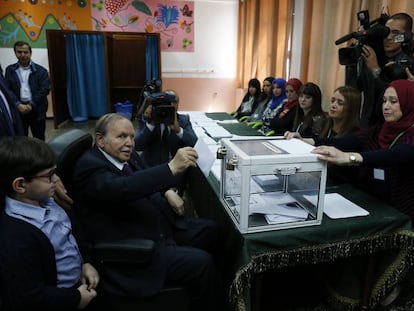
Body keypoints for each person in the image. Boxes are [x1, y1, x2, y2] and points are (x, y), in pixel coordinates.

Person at [73, 113, 225, 311]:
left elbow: (144, 174)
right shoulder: (90, 167)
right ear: (101, 140)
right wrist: (171, 168)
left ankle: (222, 288)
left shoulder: (123, 153)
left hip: (157, 223)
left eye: (131, 137)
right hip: (136, 243)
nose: (129, 143)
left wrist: (168, 190)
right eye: (121, 137)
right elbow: (124, 187)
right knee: (202, 263)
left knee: (214, 230)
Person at [288, 80, 414, 221]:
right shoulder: (379, 129)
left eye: (393, 101)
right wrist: (306, 140)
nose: (386, 106)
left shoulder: (411, 134)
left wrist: (349, 158)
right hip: (372, 203)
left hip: (401, 210)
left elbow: (398, 154)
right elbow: (346, 142)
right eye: (384, 101)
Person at [0, 136, 99, 311]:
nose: (56, 180)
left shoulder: (47, 200)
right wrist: (76, 298)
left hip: (77, 282)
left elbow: (70, 233)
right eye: (49, 175)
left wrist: (85, 262)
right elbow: (30, 296)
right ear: (21, 185)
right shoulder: (16, 237)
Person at [134, 89, 198, 195]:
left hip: (176, 170)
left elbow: (194, 143)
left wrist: (178, 130)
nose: (171, 105)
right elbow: (137, 145)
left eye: (175, 102)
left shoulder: (183, 120)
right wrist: (151, 125)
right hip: (150, 168)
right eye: (167, 102)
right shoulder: (147, 119)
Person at [357, 13, 414, 127]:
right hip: (366, 126)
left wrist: (375, 70)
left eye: (395, 33)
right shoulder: (373, 57)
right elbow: (358, 87)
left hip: (392, 129)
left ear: (407, 35)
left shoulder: (408, 64)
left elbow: (391, 97)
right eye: (386, 32)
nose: (388, 37)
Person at [5, 41, 50, 140]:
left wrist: (31, 105)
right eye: (19, 52)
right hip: (18, 110)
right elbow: (7, 90)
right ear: (15, 53)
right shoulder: (10, 70)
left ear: (30, 53)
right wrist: (17, 104)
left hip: (37, 110)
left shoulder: (41, 71)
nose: (23, 55)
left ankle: (40, 155)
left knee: (39, 139)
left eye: (25, 52)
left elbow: (44, 90)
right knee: (21, 139)